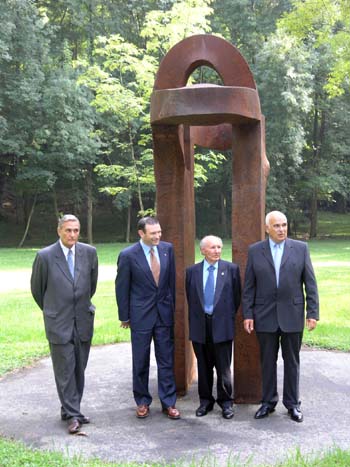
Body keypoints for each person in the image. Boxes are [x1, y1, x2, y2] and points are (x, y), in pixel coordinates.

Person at [242, 211, 319, 423]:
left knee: (292, 361)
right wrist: (248, 313)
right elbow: (249, 286)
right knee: (267, 361)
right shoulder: (256, 251)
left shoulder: (300, 249)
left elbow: (310, 283)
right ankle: (268, 402)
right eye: (276, 226)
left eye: (284, 225)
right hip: (264, 315)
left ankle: (293, 404)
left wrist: (312, 313)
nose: (281, 229)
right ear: (267, 228)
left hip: (292, 315)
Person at [31, 214, 98, 434]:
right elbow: (38, 290)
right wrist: (54, 310)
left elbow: (92, 286)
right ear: (59, 230)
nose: (72, 235)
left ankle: (69, 409)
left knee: (79, 368)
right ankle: (73, 415)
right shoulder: (45, 256)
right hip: (58, 322)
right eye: (68, 230)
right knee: (65, 371)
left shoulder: (89, 253)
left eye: (76, 230)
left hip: (83, 320)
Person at [115, 216, 180, 420]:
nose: (157, 236)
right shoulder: (127, 255)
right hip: (140, 316)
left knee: (166, 360)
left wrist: (172, 309)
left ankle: (169, 403)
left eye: (159, 232)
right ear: (141, 233)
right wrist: (124, 316)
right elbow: (122, 287)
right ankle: (142, 401)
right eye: (153, 233)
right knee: (140, 361)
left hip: (164, 315)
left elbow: (171, 283)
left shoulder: (167, 249)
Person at [185, 235, 241, 419]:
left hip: (222, 325)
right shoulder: (192, 271)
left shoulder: (231, 269)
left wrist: (224, 316)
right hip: (200, 326)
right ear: (203, 250)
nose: (217, 250)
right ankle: (205, 401)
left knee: (223, 367)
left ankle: (226, 402)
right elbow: (190, 298)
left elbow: (236, 297)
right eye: (212, 247)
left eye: (219, 247)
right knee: (204, 366)